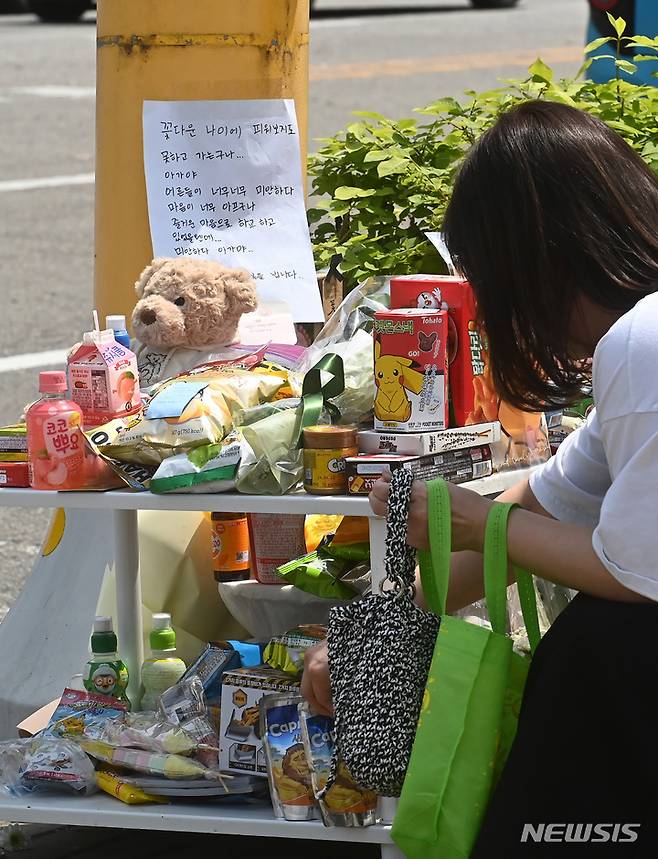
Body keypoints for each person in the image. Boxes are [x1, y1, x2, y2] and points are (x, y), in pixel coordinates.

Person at [302, 100, 658, 856]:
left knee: (599, 645)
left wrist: (476, 521)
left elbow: (636, 571)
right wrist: (380, 637)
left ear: (537, 255)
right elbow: (546, 496)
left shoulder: (647, 339)